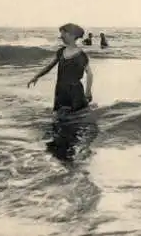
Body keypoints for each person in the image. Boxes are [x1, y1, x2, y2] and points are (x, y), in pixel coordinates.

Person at [27, 23, 95, 161]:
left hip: (75, 91)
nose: (61, 36)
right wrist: (36, 76)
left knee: (73, 119)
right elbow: (49, 66)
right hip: (61, 91)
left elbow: (90, 73)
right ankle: (62, 148)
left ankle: (71, 148)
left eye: (63, 33)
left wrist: (88, 92)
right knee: (60, 117)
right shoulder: (61, 52)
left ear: (72, 35)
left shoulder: (81, 55)